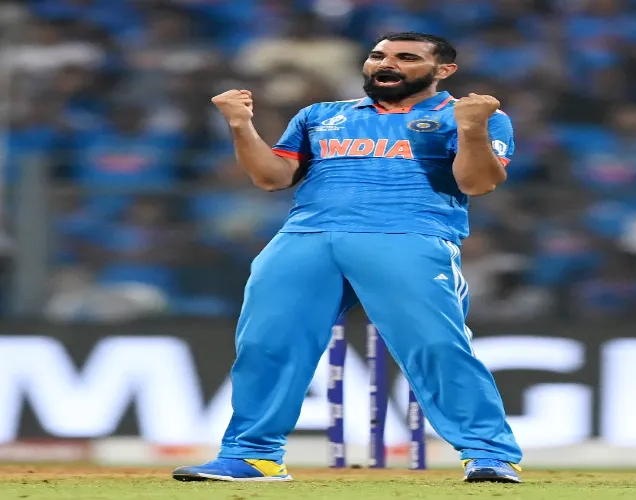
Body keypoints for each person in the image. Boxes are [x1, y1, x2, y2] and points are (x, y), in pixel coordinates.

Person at [172, 32, 523, 483]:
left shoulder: (470, 115)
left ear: (443, 70)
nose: (386, 63)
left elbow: (476, 183)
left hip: (408, 235)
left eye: (406, 57)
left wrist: (473, 127)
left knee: (435, 346)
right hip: (304, 237)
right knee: (268, 344)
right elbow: (271, 177)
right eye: (378, 55)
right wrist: (241, 125)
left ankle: (489, 453)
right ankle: (252, 455)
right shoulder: (321, 115)